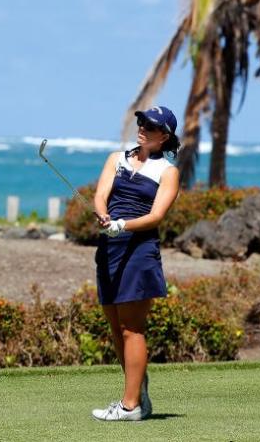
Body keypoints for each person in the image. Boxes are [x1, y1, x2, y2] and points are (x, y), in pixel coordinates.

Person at [90, 105, 181, 421]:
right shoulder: (116, 159)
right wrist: (104, 214)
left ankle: (130, 406)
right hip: (110, 251)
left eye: (150, 125)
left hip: (139, 252)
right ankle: (138, 391)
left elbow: (156, 216)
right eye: (141, 121)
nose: (142, 127)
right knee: (116, 328)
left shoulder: (168, 172)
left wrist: (123, 225)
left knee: (132, 328)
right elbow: (101, 194)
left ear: (164, 136)